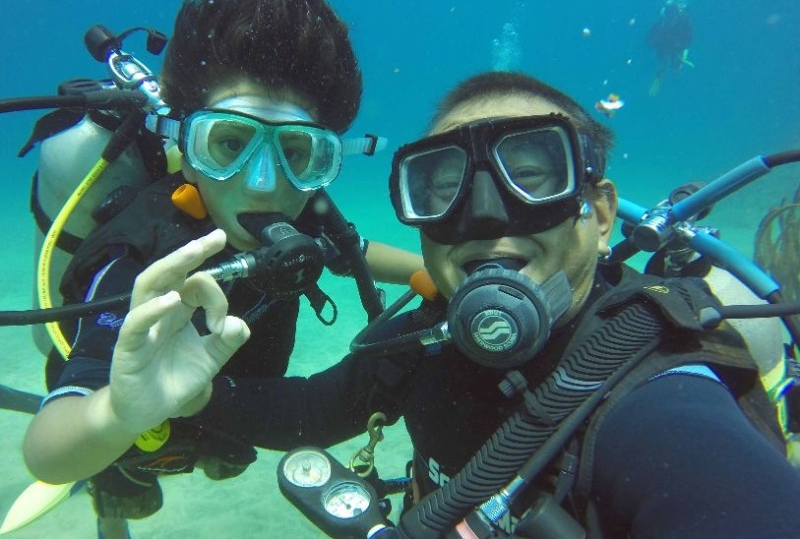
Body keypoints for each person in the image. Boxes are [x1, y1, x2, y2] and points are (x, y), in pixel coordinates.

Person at [27, 71, 800, 538]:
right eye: (442, 186)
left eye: (532, 173)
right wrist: (192, 395)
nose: (485, 214)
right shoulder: (427, 339)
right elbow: (311, 413)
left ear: (599, 214)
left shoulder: (661, 402)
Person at [23, 0, 422, 539]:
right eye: (229, 143)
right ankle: (112, 509)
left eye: (297, 153)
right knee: (123, 482)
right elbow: (47, 448)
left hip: (231, 400)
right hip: (129, 418)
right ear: (186, 148)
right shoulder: (143, 253)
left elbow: (358, 252)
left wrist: (439, 275)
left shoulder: (303, 219)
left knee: (225, 457)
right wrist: (115, 412)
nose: (262, 183)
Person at [647, 0, 697, 97]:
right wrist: (657, 44)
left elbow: (689, 40)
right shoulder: (662, 23)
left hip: (677, 47)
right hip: (665, 46)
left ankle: (676, 67)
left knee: (676, 65)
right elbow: (649, 39)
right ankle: (660, 73)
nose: (671, 18)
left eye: (673, 15)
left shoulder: (683, 22)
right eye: (669, 15)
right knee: (662, 61)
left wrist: (681, 52)